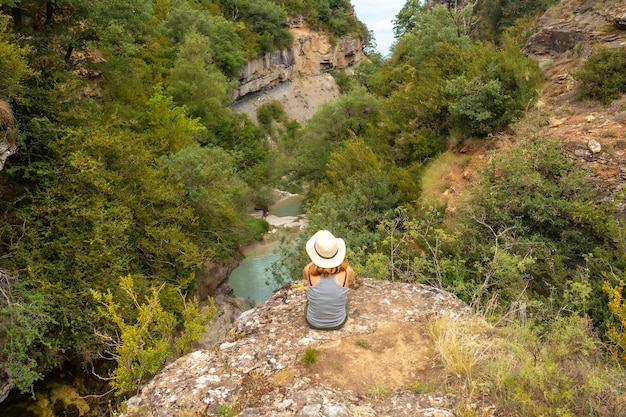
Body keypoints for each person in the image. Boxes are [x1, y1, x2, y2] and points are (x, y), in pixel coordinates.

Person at [302, 230, 355, 330]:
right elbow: (352, 280)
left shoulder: (307, 270)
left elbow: (306, 277)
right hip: (338, 323)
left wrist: (315, 261)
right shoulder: (347, 271)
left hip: (313, 323)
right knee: (345, 302)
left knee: (308, 303)